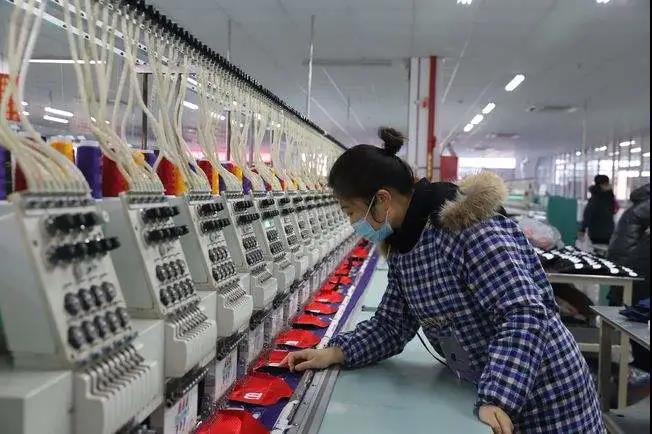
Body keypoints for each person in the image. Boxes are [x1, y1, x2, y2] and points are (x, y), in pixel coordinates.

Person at [282, 128, 605, 434]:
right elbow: (392, 324)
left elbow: (524, 314)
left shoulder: (470, 230)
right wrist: (336, 352)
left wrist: (498, 396)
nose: (353, 222)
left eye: (350, 211)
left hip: (545, 394)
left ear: (381, 200)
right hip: (488, 390)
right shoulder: (405, 244)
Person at [608, 183, 650, 373]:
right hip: (636, 268)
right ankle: (641, 373)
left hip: (627, 265)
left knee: (638, 324)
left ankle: (639, 371)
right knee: (641, 328)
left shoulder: (639, 204)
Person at [580, 175, 617, 245]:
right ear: (602, 185)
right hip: (598, 233)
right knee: (600, 249)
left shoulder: (608, 197)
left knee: (602, 249)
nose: (609, 185)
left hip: (606, 231)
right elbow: (588, 214)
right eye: (607, 184)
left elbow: (613, 211)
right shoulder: (596, 198)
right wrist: (582, 229)